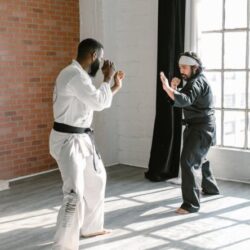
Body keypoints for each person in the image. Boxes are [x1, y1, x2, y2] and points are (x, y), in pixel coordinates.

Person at [49, 38, 125, 250]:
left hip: (82, 138)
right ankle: (63, 245)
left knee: (97, 179)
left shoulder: (80, 77)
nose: (101, 64)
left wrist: (114, 86)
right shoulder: (73, 75)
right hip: (68, 140)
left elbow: (96, 100)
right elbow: (99, 101)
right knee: (74, 193)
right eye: (100, 59)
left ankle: (91, 227)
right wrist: (107, 78)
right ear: (93, 55)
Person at [160, 51, 220, 214]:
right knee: (200, 158)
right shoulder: (193, 80)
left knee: (188, 161)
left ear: (195, 67)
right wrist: (173, 88)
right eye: (180, 67)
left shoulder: (197, 82)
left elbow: (185, 100)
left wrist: (167, 88)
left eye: (184, 67)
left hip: (201, 128)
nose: (181, 70)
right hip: (197, 126)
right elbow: (185, 100)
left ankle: (191, 204)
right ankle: (211, 188)